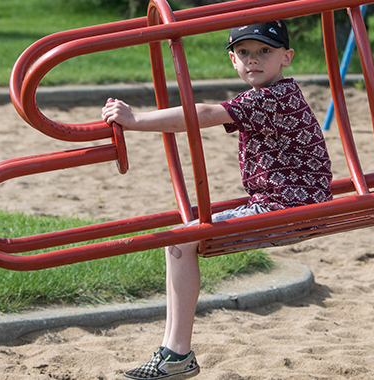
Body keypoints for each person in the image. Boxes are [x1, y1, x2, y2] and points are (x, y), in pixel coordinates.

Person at [102, 20, 333, 380]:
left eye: (264, 51)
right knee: (185, 234)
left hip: (288, 209)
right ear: (232, 59)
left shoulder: (274, 97)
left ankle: (176, 354)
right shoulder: (276, 94)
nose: (253, 60)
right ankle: (173, 352)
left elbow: (206, 114)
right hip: (288, 203)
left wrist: (135, 119)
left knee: (181, 240)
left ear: (287, 57)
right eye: (244, 52)